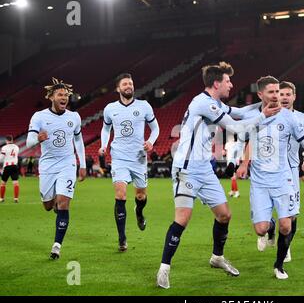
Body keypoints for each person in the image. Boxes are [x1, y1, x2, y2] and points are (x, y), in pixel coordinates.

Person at [156, 62, 281, 289]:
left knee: (224, 215)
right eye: (228, 81)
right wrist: (263, 114)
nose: (231, 85)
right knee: (182, 219)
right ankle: (164, 268)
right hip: (187, 168)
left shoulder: (215, 103)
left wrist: (264, 103)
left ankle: (217, 258)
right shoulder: (203, 103)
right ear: (216, 83)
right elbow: (238, 128)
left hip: (204, 169)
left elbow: (241, 112)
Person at [236, 76, 304, 279]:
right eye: (272, 92)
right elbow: (242, 140)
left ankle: (279, 265)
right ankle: (269, 229)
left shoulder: (290, 118)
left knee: (287, 223)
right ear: (260, 94)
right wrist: (240, 162)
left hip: (284, 178)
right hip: (260, 181)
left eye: (278, 92)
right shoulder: (252, 118)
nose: (276, 96)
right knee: (260, 229)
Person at [254, 80, 304, 263]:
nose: (285, 97)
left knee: (292, 215)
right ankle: (269, 228)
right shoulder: (264, 116)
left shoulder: (302, 119)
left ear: (294, 97)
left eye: (289, 94)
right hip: (266, 173)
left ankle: (285, 247)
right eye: (282, 94)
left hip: (290, 174)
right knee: (265, 217)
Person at [26, 77, 86, 259]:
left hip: (67, 164)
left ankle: (57, 246)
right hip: (47, 166)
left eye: (66, 95)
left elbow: (78, 140)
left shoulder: (74, 117)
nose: (64, 98)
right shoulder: (39, 117)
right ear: (51, 97)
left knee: (64, 203)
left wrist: (82, 164)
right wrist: (38, 138)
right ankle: (53, 206)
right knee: (47, 205)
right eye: (60, 94)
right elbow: (29, 142)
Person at [99, 73, 160, 252]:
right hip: (118, 157)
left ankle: (139, 212)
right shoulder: (110, 108)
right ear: (118, 88)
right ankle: (122, 238)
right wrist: (104, 145)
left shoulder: (144, 106)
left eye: (130, 83)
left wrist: (150, 142)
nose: (128, 86)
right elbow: (105, 128)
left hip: (139, 158)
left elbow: (155, 128)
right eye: (125, 84)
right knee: (120, 194)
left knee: (141, 196)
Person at [0, 135, 20, 203]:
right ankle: (16, 199)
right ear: (12, 140)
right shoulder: (17, 147)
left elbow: (1, 158)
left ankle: (2, 198)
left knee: (3, 183)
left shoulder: (4, 147)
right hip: (14, 166)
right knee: (15, 183)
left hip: (7, 166)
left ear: (6, 140)